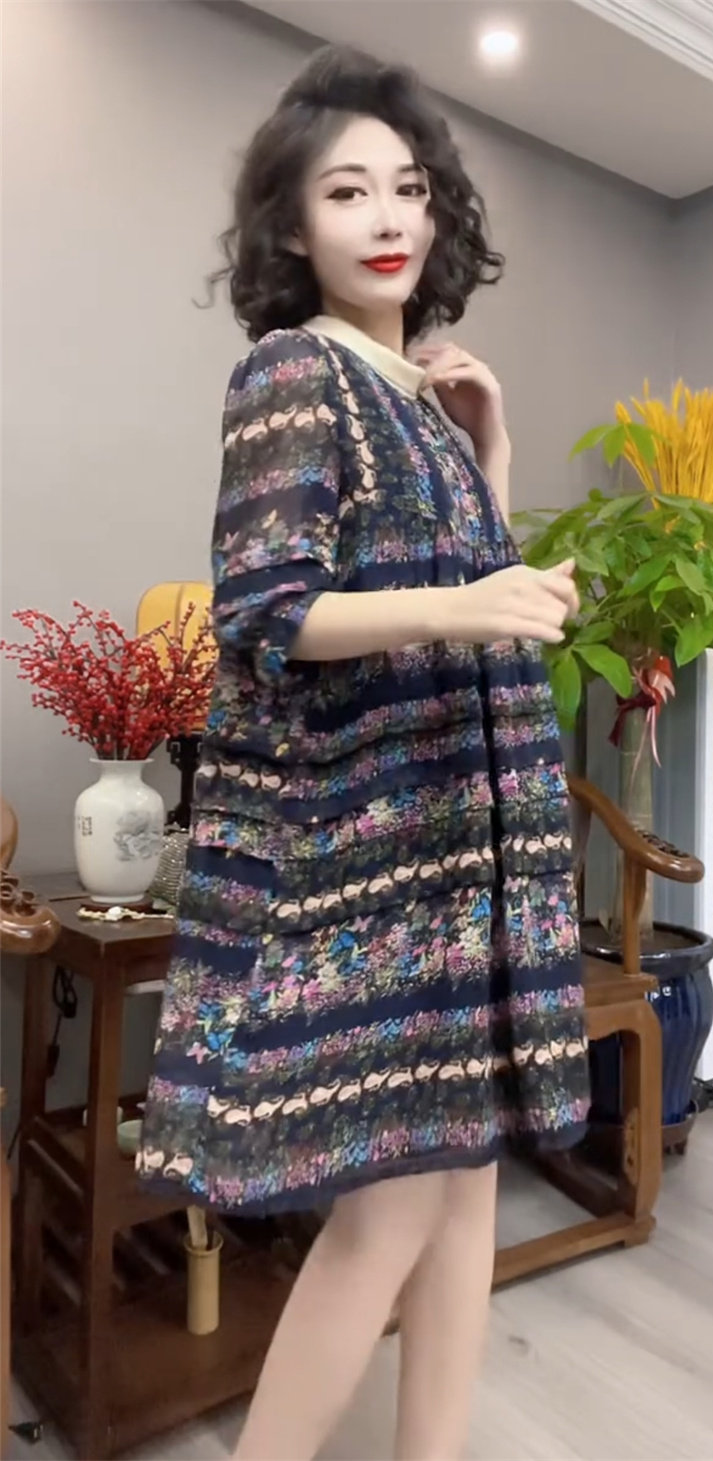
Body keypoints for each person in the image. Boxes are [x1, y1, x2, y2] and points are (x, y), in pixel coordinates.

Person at [138, 44, 590, 1461]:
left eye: (409, 187)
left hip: (458, 850)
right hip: (374, 859)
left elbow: (459, 584)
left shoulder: (420, 397)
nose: (389, 217)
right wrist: (468, 603)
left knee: (463, 1184)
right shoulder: (294, 370)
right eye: (347, 191)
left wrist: (492, 455)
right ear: (292, 224)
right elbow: (268, 613)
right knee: (389, 1209)